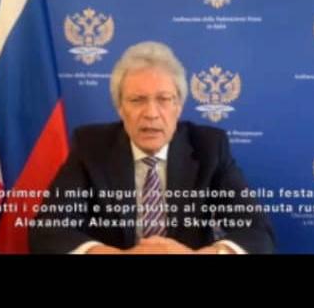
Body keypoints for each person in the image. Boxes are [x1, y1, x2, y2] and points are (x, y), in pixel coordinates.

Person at [29, 41, 275, 255]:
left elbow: (257, 232)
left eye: (164, 99)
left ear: (178, 106)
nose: (151, 113)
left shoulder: (210, 147)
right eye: (137, 100)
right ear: (120, 108)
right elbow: (48, 230)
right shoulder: (91, 146)